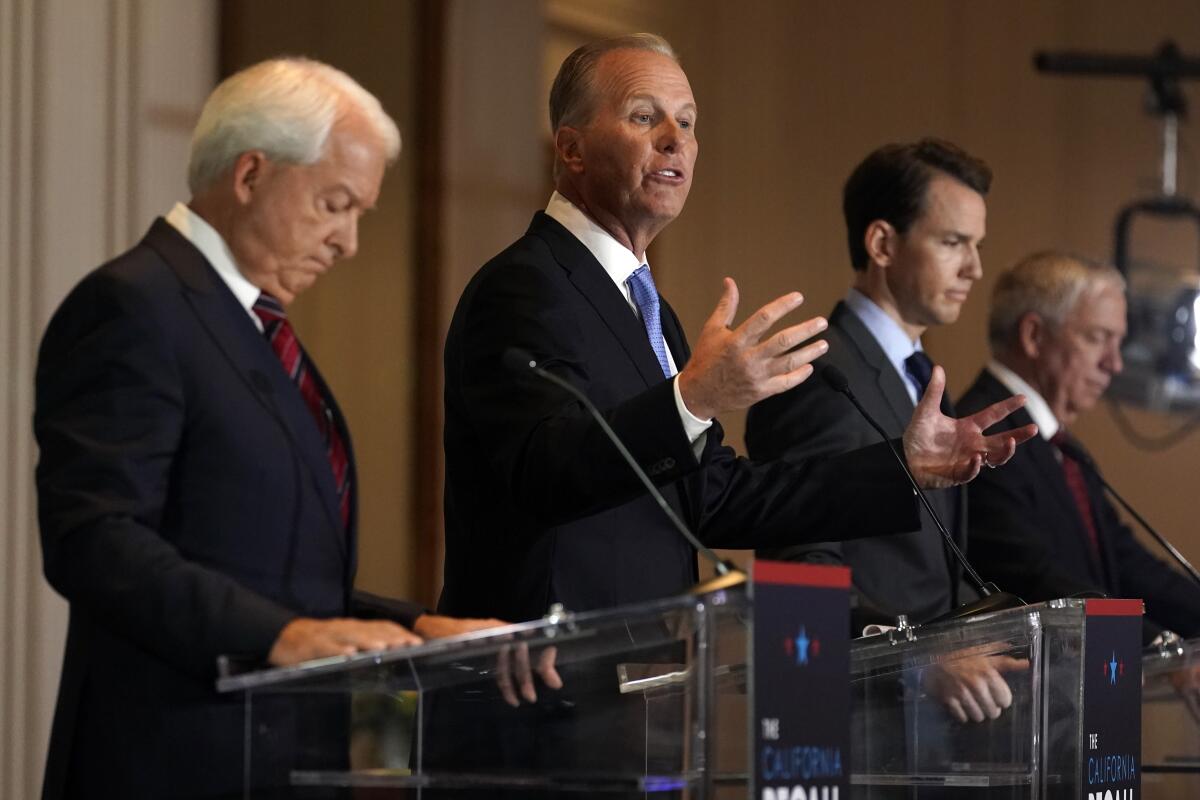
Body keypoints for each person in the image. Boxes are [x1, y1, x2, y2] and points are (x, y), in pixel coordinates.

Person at [34, 58, 539, 799]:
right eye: (337, 204)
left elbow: (276, 575)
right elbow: (94, 540)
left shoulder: (252, 326)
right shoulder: (134, 306)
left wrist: (416, 629)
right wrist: (282, 638)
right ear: (250, 176)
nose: (349, 242)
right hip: (171, 760)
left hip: (277, 756)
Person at [439, 34, 1035, 628]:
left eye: (689, 123)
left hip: (634, 683)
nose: (676, 140)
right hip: (543, 684)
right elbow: (547, 472)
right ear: (572, 150)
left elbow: (715, 499)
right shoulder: (522, 287)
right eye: (645, 117)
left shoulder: (645, 306)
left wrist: (902, 465)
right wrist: (694, 398)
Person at [747, 138, 991, 629]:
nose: (974, 268)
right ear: (882, 244)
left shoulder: (923, 377)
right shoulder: (817, 375)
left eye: (976, 245)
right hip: (866, 697)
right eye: (952, 243)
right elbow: (802, 570)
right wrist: (920, 662)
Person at [960, 250, 1200, 643]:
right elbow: (1034, 579)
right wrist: (1158, 645)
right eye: (1098, 337)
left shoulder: (1065, 447)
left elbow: (1124, 562)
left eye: (1119, 342)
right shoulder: (983, 437)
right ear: (1034, 336)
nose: (1115, 363)